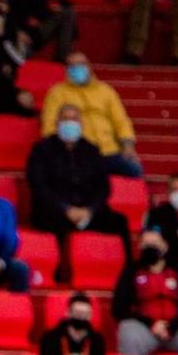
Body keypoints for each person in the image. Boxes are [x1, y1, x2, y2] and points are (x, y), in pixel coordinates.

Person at [27, 105, 130, 254]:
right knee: (52, 224)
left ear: (81, 124)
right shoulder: (41, 150)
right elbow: (38, 185)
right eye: (65, 119)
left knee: (119, 222)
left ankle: (128, 273)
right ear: (57, 123)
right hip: (54, 211)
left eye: (74, 119)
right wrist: (65, 209)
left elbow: (103, 187)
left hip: (87, 211)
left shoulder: (92, 150)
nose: (70, 123)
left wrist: (90, 210)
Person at [37, 53, 141, 177]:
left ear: (89, 66)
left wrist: (128, 146)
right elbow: (49, 125)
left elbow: (121, 121)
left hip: (109, 151)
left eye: (81, 64)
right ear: (67, 69)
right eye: (73, 65)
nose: (77, 68)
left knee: (135, 171)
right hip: (78, 153)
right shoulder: (57, 93)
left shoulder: (106, 91)